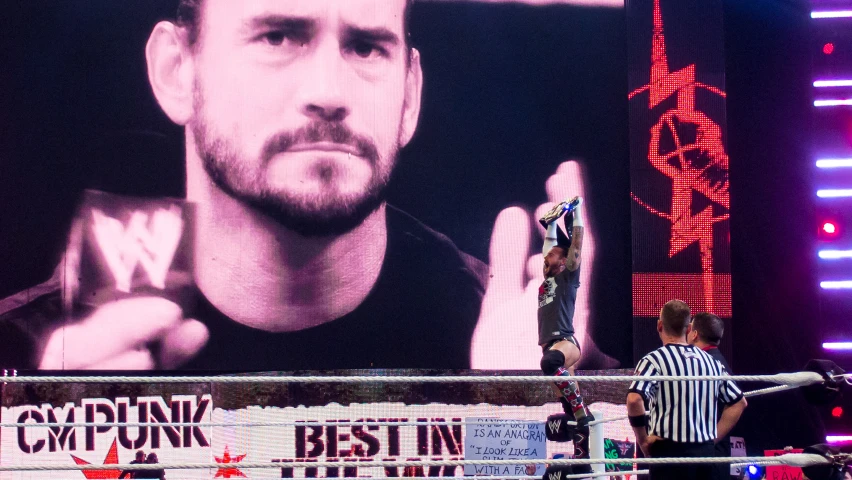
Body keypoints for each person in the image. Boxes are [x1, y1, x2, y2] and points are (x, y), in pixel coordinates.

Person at [627, 300, 747, 480]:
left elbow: (634, 399)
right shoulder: (711, 362)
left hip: (669, 452)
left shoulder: (654, 360)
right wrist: (712, 438)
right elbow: (739, 402)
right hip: (705, 453)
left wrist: (643, 441)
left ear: (660, 325)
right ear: (689, 329)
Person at [536, 197, 594, 470]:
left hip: (565, 343)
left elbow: (577, 245)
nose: (546, 255)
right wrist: (550, 223)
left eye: (552, 255)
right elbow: (549, 247)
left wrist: (577, 210)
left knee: (550, 364)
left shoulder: (567, 276)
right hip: (550, 345)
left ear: (563, 261)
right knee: (571, 412)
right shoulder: (547, 281)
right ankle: (584, 457)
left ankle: (582, 410)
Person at [688, 312, 733, 480]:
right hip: (712, 453)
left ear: (694, 334)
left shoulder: (711, 364)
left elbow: (739, 403)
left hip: (709, 454)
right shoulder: (714, 360)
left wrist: (712, 439)